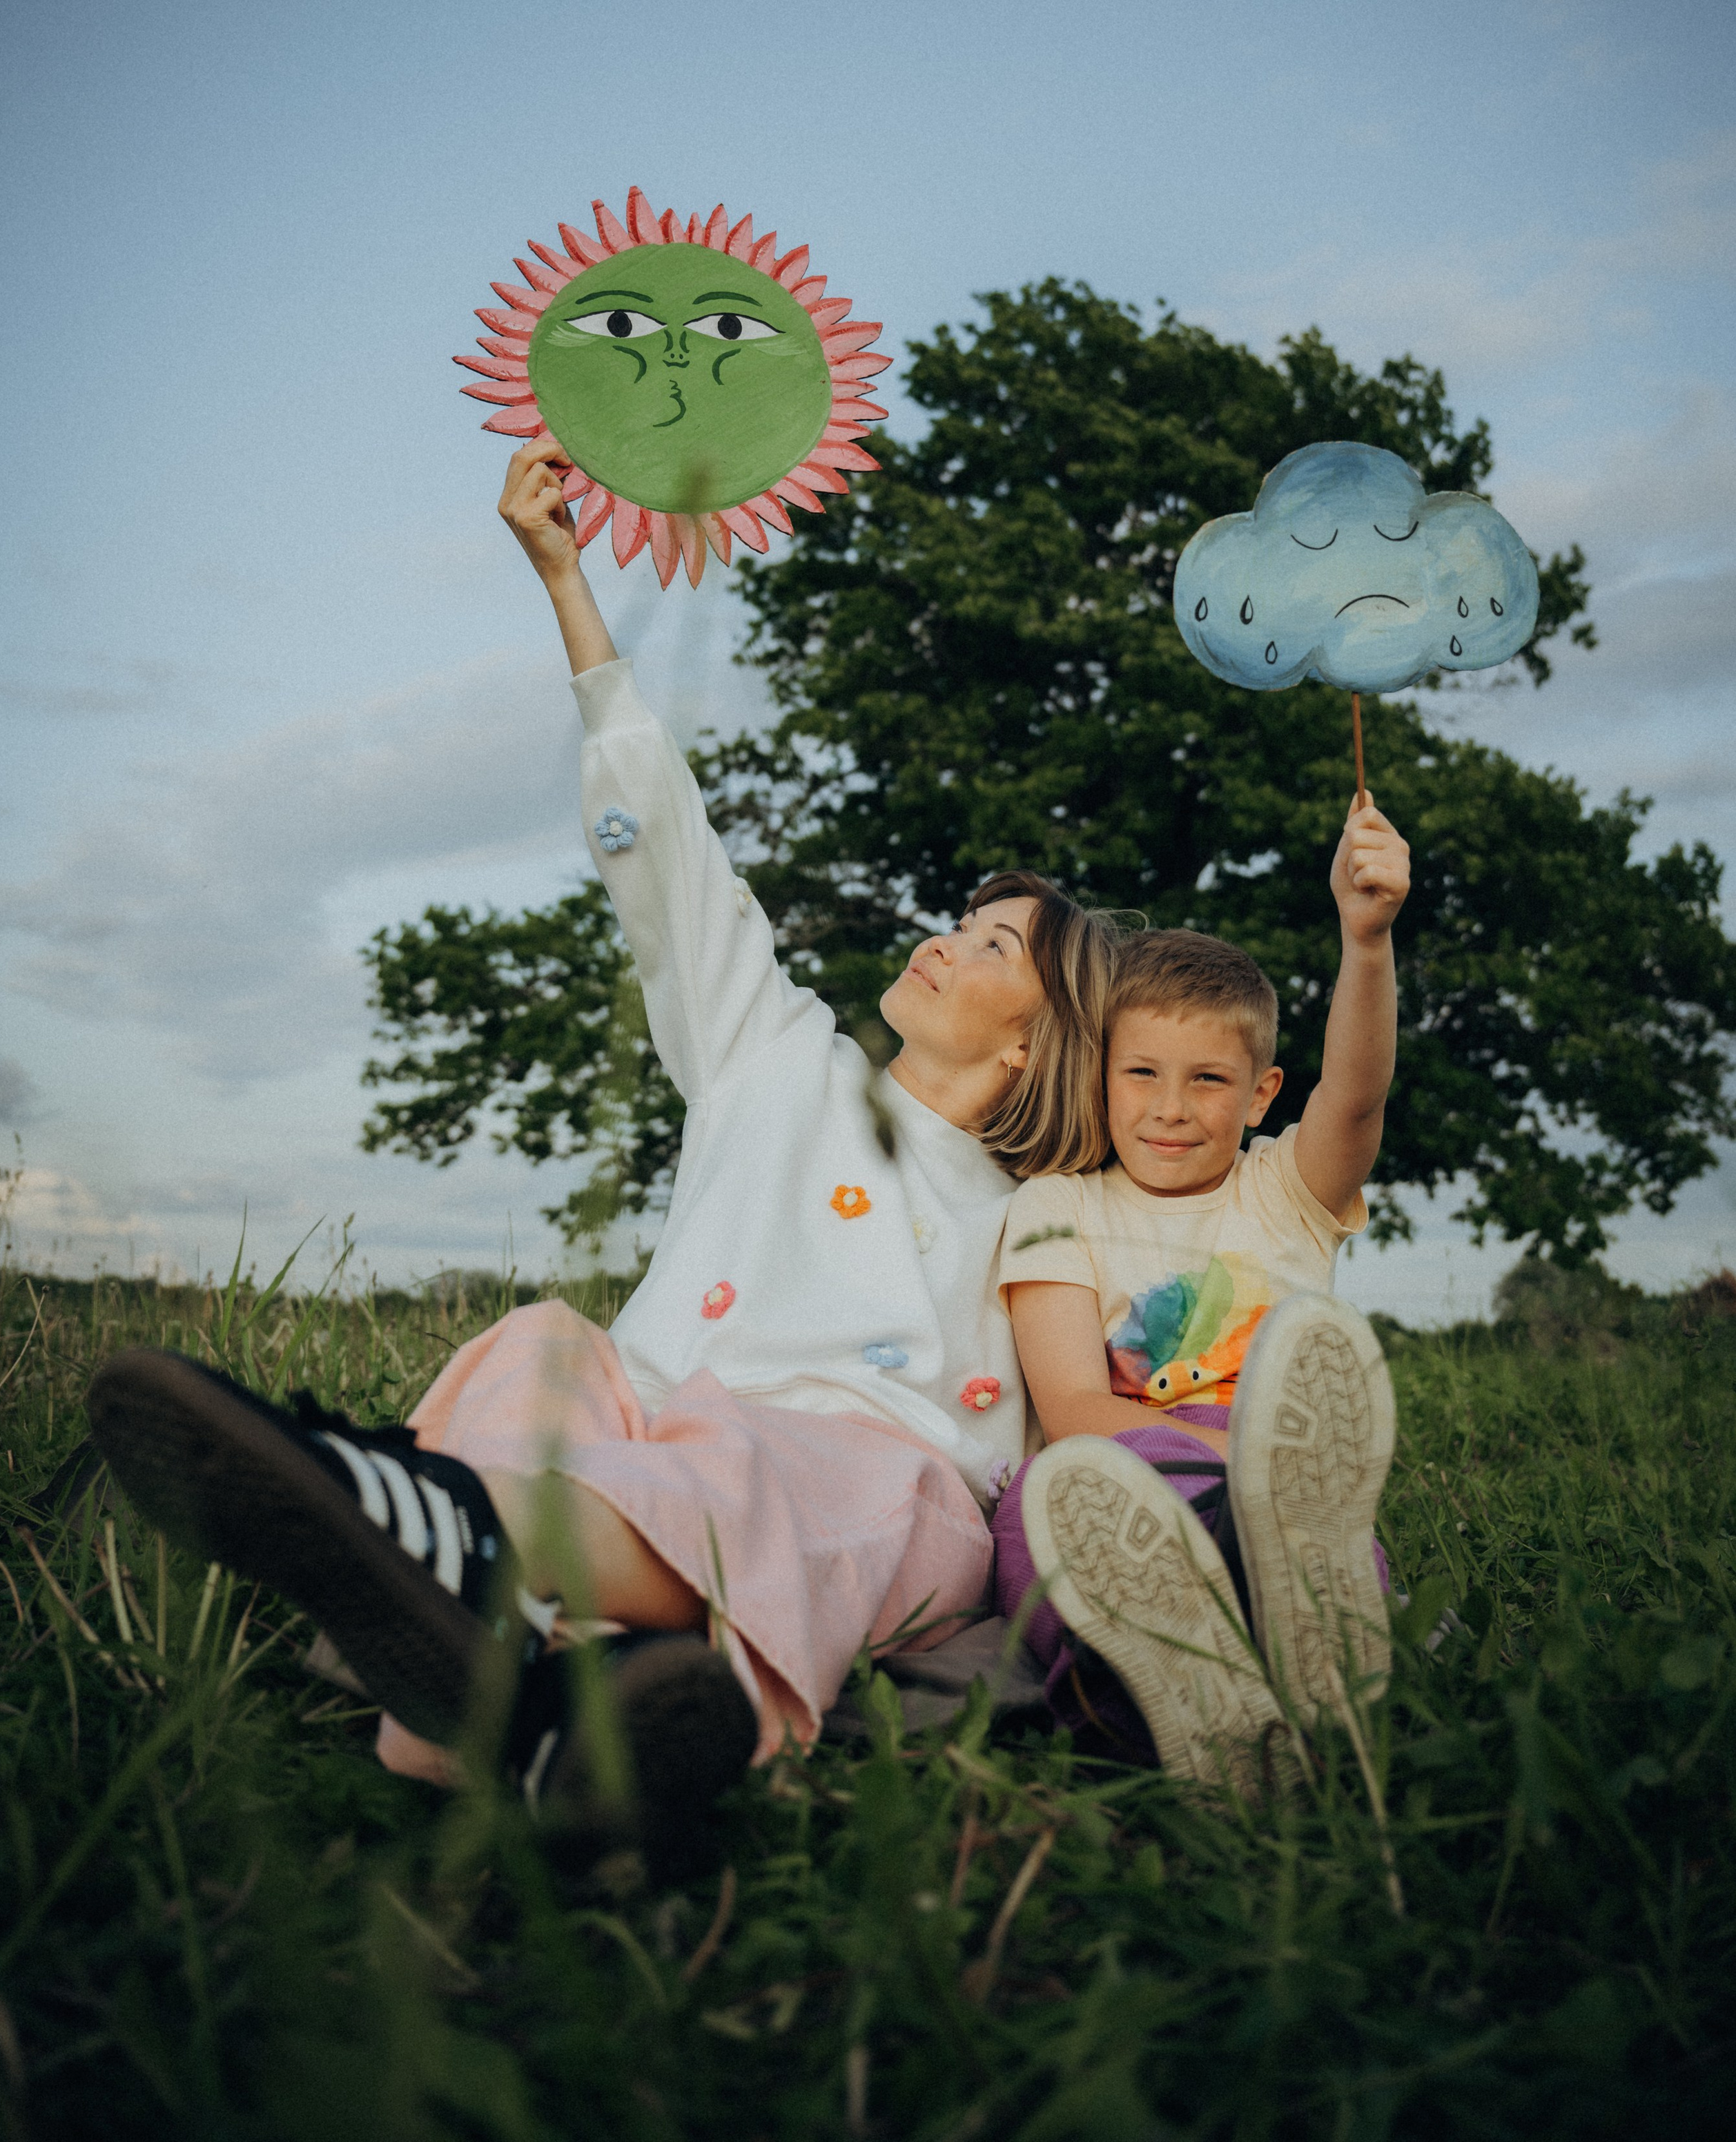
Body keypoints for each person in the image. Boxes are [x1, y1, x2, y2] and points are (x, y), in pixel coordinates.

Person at [90, 431, 1118, 1848]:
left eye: (990, 944)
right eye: (960, 918)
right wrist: (565, 580)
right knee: (540, 1350)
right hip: (657, 1411)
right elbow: (669, 853)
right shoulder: (774, 1052)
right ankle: (561, 1690)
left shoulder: (1049, 1212)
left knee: (774, 1473)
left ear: (1029, 1049)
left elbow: (1259, 1192)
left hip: (863, 1483)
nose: (943, 939)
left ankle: (410, 1522)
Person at [990, 792, 1411, 1787]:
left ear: (1262, 1094)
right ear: (1099, 1074)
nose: (1171, 1110)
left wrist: (1367, 941)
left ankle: (1292, 1661)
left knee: (1318, 1536)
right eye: (1141, 1072)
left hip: (1291, 1508)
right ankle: (1171, 1687)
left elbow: (1354, 1096)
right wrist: (1259, 1460)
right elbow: (1074, 1408)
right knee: (1052, 1509)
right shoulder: (1057, 1204)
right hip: (1108, 1496)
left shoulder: (1288, 1191)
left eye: (1210, 1082)